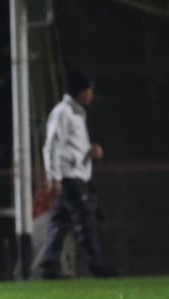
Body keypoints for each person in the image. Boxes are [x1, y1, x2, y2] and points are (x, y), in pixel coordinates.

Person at [39, 69, 117, 279]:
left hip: (76, 175)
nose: (91, 95)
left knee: (61, 221)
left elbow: (71, 146)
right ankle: (97, 264)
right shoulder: (63, 112)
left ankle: (49, 263)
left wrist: (89, 151)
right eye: (89, 90)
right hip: (69, 176)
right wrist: (54, 176)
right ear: (81, 91)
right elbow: (52, 146)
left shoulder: (77, 113)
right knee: (86, 219)